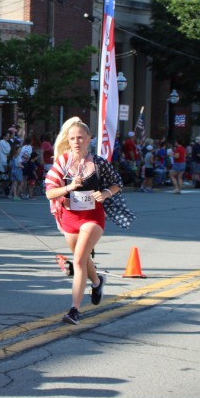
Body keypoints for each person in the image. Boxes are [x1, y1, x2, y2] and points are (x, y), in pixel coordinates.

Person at [45, 118, 132, 325]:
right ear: (68, 140)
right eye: (73, 138)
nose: (76, 142)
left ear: (89, 139)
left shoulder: (99, 163)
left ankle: (74, 310)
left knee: (78, 261)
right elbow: (49, 193)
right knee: (82, 258)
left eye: (80, 138)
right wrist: (69, 187)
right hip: (69, 218)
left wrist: (106, 193)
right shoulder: (62, 162)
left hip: (93, 218)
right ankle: (97, 281)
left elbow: (117, 183)